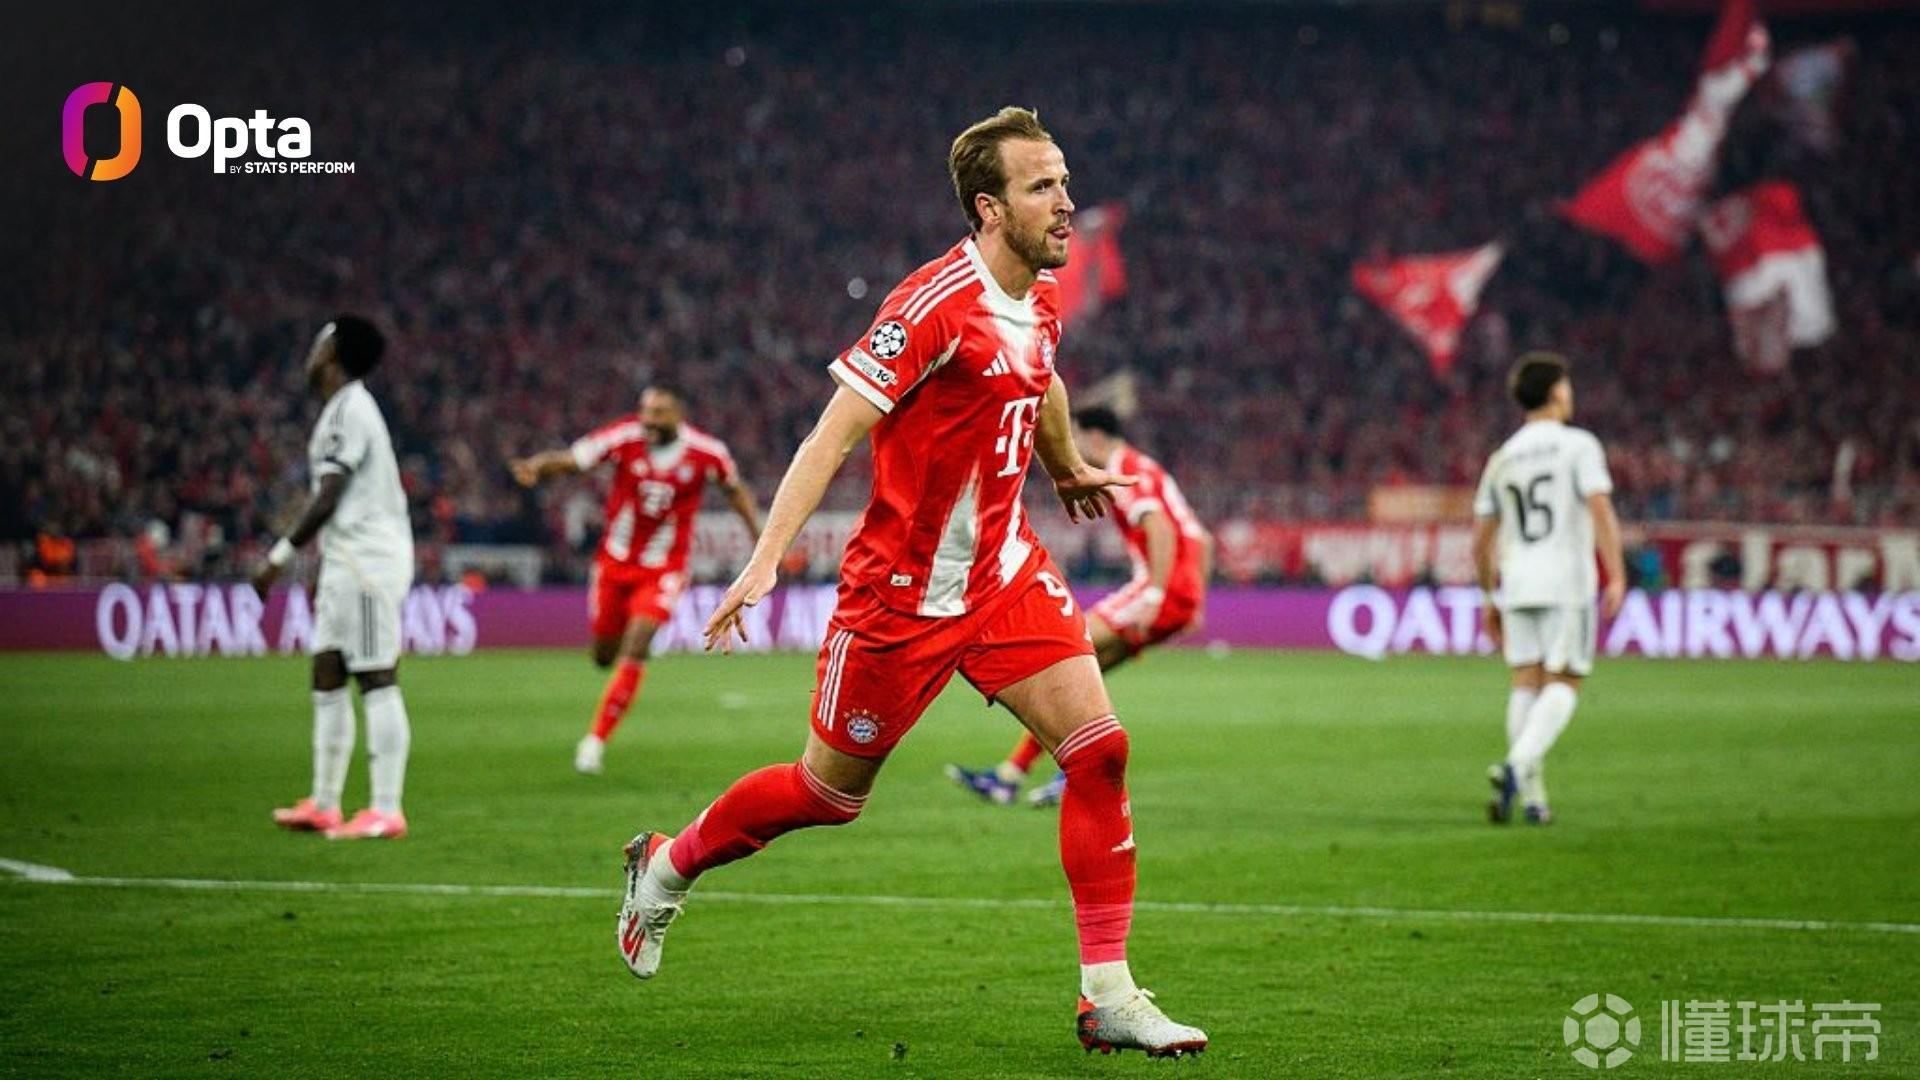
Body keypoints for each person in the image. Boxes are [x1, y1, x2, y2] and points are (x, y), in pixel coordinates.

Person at [612, 107, 1207, 1057]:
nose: (1066, 201)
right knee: (826, 795)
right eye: (1043, 187)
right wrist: (766, 558)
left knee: (1099, 751)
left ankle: (1108, 995)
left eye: (1064, 180)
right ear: (989, 208)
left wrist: (1060, 464)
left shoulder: (1042, 293)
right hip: (900, 600)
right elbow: (831, 435)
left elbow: (1044, 373)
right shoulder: (931, 305)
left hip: (1004, 576)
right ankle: (666, 864)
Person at [947, 405, 1213, 807]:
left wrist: (1156, 596)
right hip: (1179, 592)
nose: (1070, 445)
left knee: (1067, 656)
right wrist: (1195, 604)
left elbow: (1159, 527)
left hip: (1159, 590)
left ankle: (1072, 771)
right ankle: (1013, 775)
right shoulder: (1147, 468)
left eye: (1074, 436)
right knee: (1084, 679)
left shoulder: (1124, 469)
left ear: (1095, 437)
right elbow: (1203, 539)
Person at [511, 387, 761, 774]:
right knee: (603, 656)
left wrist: (761, 539)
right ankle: (616, 682)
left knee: (637, 643)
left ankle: (594, 742)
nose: (649, 420)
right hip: (613, 564)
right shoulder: (624, 437)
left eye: (659, 412)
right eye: (645, 411)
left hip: (664, 569)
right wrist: (537, 467)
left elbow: (735, 491)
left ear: (679, 415)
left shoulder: (708, 453)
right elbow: (573, 460)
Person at [254, 316, 416, 840]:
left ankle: (386, 809)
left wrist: (280, 556)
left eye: (319, 341)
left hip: (369, 559)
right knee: (327, 669)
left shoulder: (352, 409)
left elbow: (329, 494)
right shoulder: (339, 409)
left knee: (375, 674)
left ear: (333, 353)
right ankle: (324, 803)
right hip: (344, 558)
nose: (311, 351)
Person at [1473, 351, 1626, 825]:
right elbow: (1599, 509)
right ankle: (1515, 766)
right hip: (1566, 581)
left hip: (1518, 582)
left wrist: (1489, 596)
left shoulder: (1501, 458)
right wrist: (1616, 573)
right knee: (1565, 680)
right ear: (1557, 392)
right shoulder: (1578, 445)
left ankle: (1534, 802)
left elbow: (1480, 541)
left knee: (1526, 682)